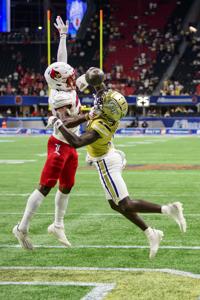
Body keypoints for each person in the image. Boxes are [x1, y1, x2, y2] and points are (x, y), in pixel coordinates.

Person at [47, 68, 187, 259]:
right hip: (110, 154)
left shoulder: (99, 126)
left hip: (105, 162)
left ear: (105, 109)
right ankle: (151, 233)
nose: (101, 99)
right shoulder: (109, 108)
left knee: (125, 204)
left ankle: (168, 209)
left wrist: (58, 124)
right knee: (115, 205)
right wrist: (93, 77)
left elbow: (76, 143)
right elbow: (101, 87)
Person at [12, 16, 90, 250]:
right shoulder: (61, 96)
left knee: (67, 186)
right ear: (62, 82)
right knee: (45, 186)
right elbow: (66, 120)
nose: (73, 78)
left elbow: (61, 63)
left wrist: (63, 36)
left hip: (71, 144)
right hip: (59, 143)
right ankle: (22, 227)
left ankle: (57, 225)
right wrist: (88, 114)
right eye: (70, 77)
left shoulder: (61, 83)